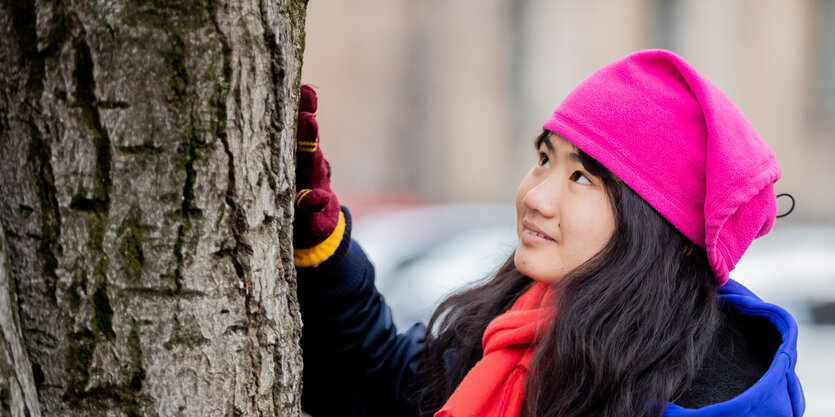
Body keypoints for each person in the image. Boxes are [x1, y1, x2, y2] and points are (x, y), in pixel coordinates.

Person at [292, 50, 806, 417]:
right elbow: (378, 384)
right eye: (544, 159)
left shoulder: (716, 395)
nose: (534, 196)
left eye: (581, 177)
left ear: (653, 225)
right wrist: (325, 250)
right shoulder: (520, 333)